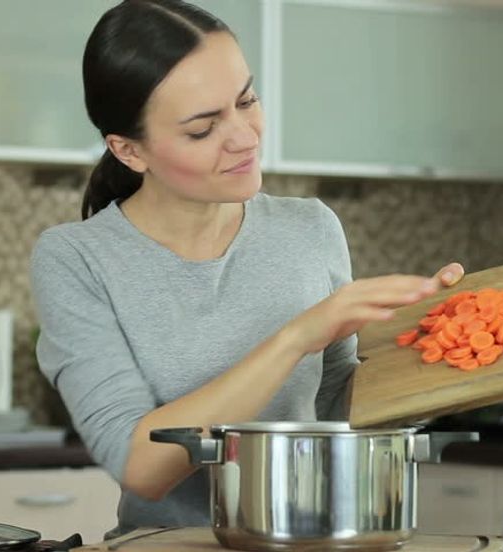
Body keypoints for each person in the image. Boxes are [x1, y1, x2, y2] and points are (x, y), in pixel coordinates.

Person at [29, 0, 465, 537]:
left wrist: (437, 349)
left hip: (309, 543)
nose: (245, 136)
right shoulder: (76, 258)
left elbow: (335, 411)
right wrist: (296, 337)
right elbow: (141, 466)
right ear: (128, 149)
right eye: (202, 128)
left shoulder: (310, 227)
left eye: (247, 100)